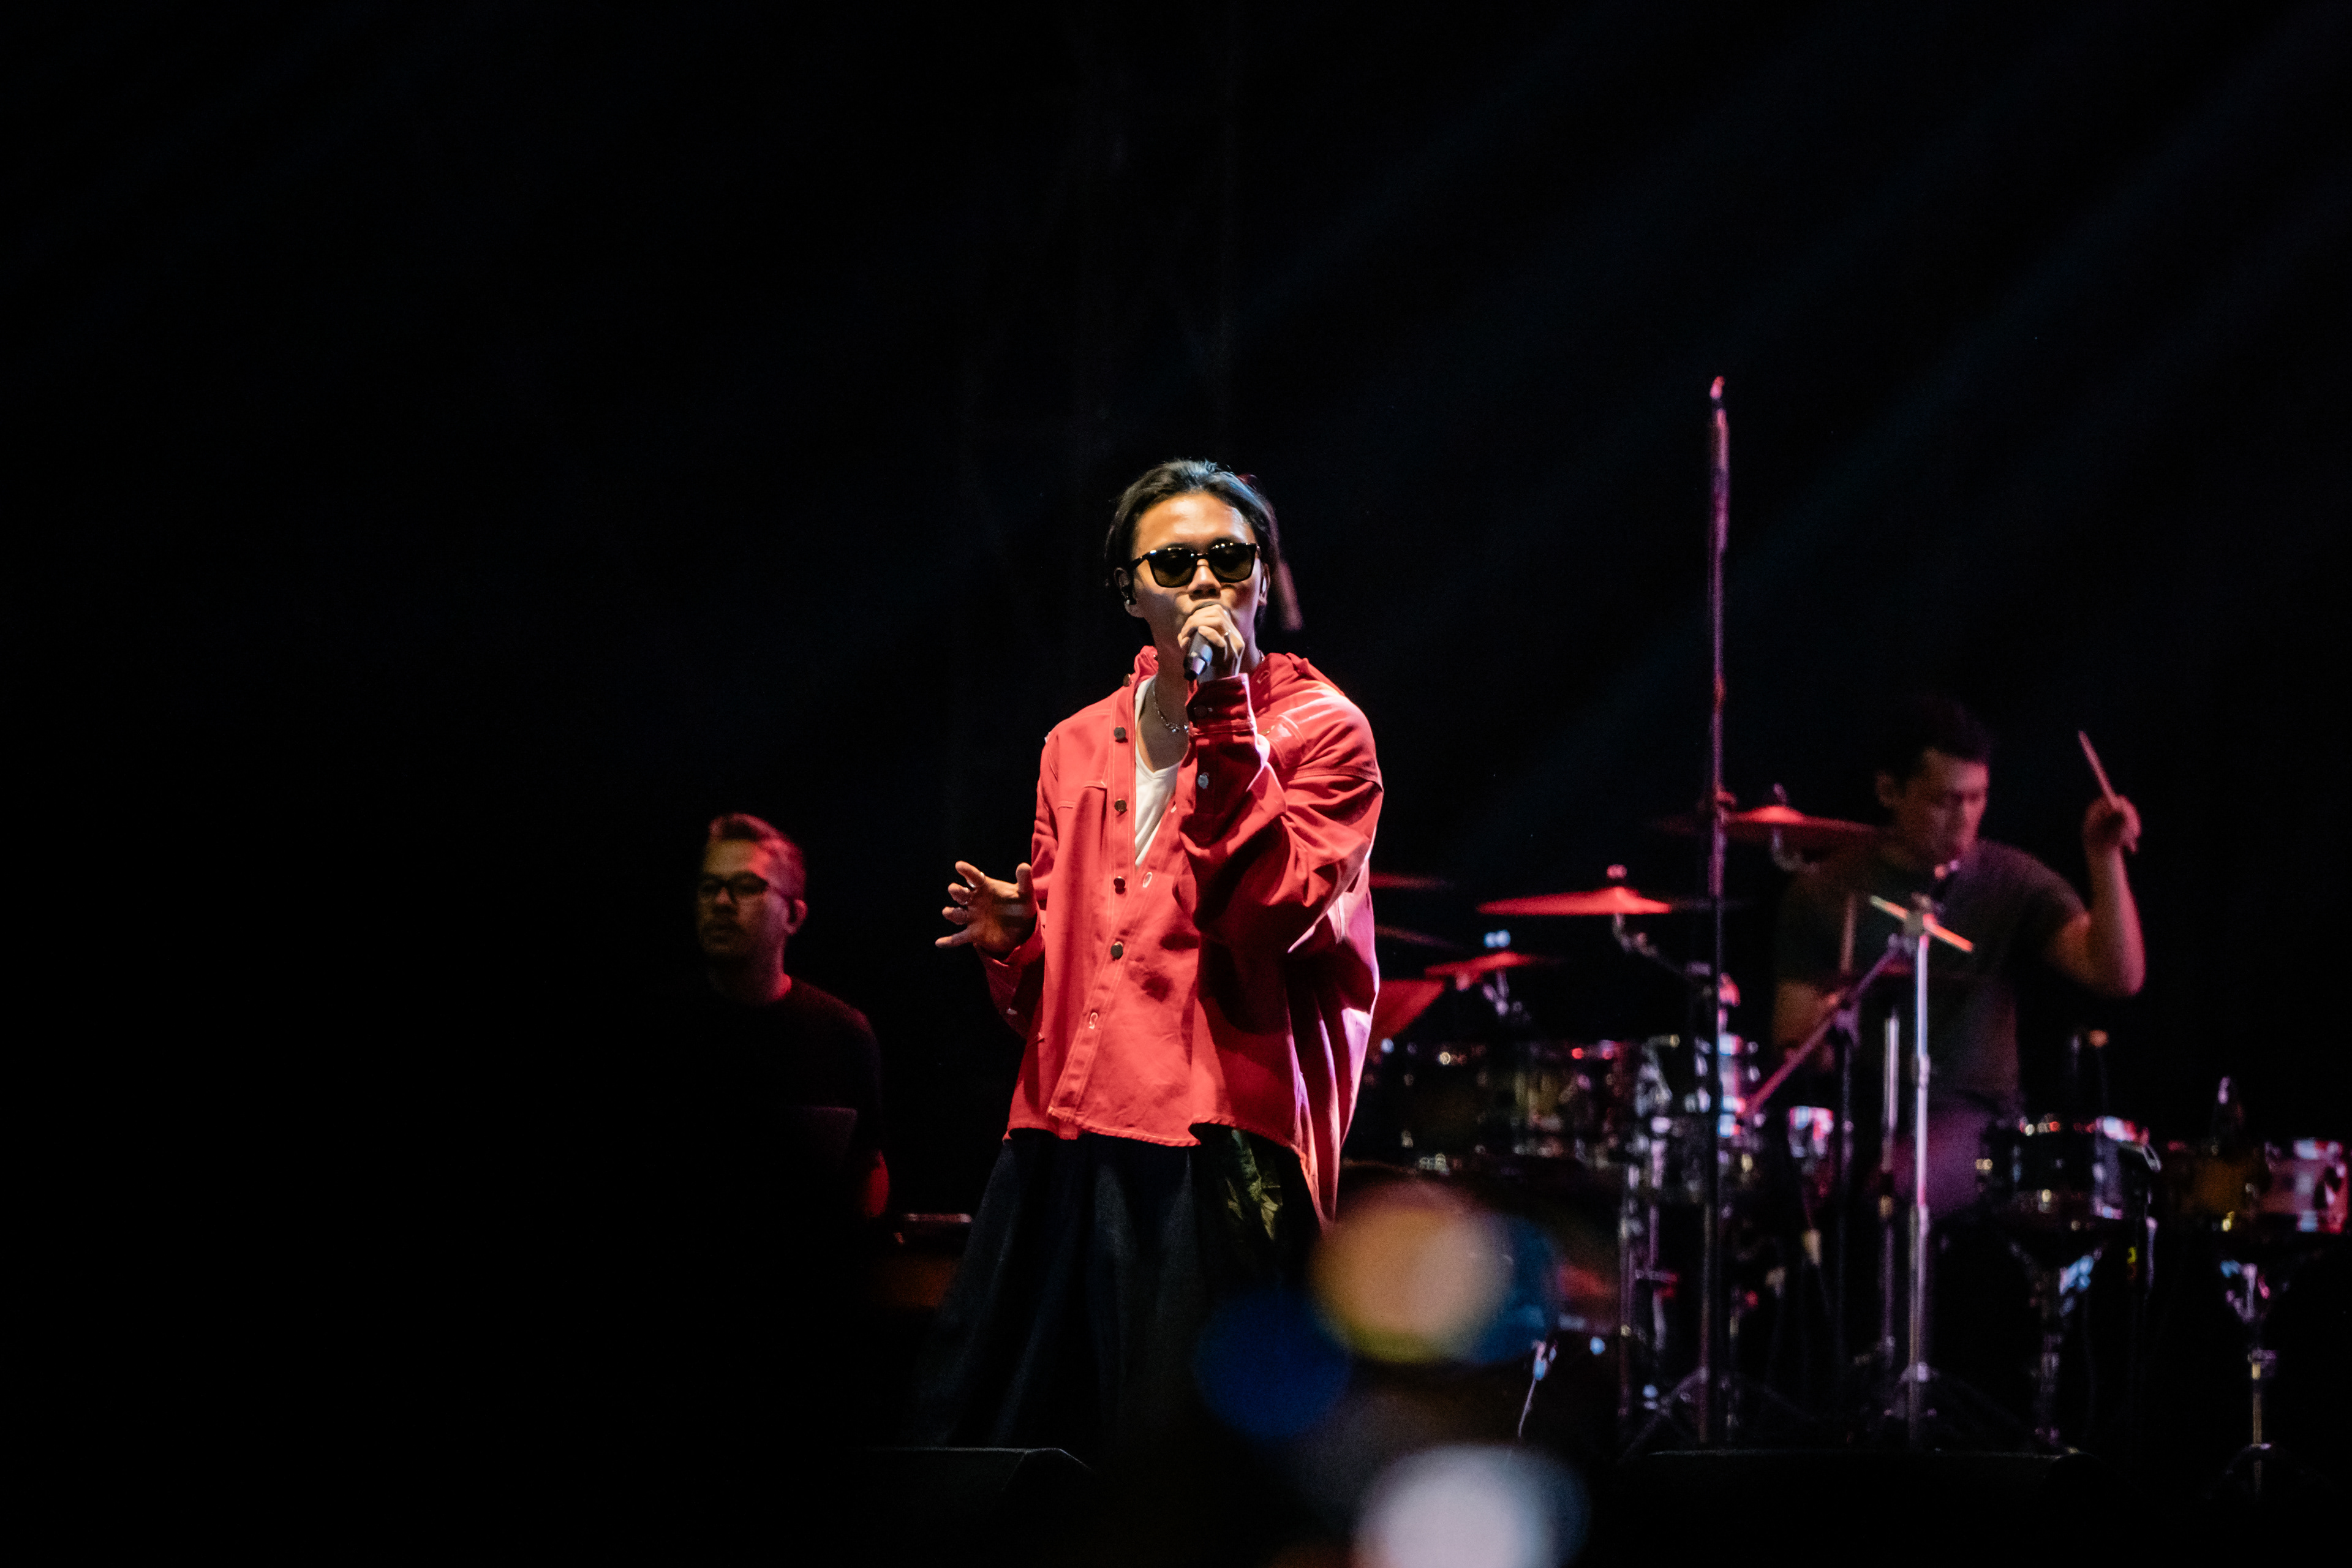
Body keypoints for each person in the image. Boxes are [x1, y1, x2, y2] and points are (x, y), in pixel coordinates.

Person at [913, 459, 1381, 1459]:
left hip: (1217, 1136)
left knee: (1184, 1459)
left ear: (1262, 579)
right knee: (991, 1433)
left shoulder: (1323, 734)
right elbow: (1061, 998)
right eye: (1174, 562)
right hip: (1063, 1128)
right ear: (1131, 593)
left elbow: (1269, 916)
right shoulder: (1075, 745)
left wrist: (1224, 717)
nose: (1205, 578)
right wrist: (1023, 942)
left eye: (1230, 557)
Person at [1772, 696, 2145, 1216]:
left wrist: (2103, 858)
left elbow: (2117, 975)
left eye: (1977, 798)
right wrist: (1824, 1032)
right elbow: (1792, 1038)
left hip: (1975, 1118)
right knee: (1781, 1185)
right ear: (1889, 791)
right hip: (1859, 1109)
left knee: (1898, 1186)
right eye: (1943, 801)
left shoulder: (2010, 882)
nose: (1964, 818)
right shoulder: (1827, 890)